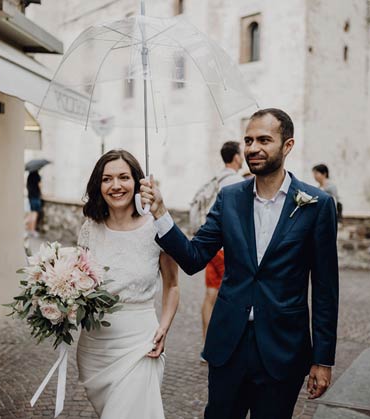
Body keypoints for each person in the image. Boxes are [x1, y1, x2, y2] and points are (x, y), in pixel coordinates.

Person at [140, 108, 339, 419]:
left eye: (264, 140)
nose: (253, 148)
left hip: (282, 347)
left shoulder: (317, 204)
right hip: (228, 345)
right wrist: (161, 213)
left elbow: (326, 288)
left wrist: (323, 359)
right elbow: (193, 259)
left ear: (287, 146)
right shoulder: (230, 197)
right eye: (248, 140)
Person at [76, 149, 180, 418]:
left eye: (124, 177)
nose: (116, 186)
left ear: (137, 182)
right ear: (98, 185)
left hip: (141, 343)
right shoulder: (89, 227)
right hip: (95, 346)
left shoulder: (156, 228)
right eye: (107, 179)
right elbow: (78, 282)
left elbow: (172, 285)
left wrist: (165, 327)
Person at [201, 141, 244, 363]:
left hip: (212, 247)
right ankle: (225, 346)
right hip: (227, 249)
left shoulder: (216, 179)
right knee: (230, 298)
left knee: (210, 296)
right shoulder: (237, 182)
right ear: (237, 157)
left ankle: (206, 345)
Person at [26, 171, 42, 237]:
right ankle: (33, 231)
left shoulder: (29, 176)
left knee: (31, 213)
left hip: (30, 197)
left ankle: (29, 230)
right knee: (35, 214)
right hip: (36, 197)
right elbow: (40, 185)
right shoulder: (36, 175)